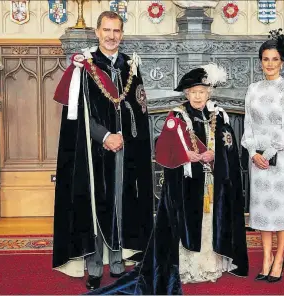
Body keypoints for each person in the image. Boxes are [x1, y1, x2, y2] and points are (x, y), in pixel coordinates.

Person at [87, 64, 248, 295]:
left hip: (211, 181)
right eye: (193, 92)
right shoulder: (176, 116)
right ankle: (188, 267)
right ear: (186, 94)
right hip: (185, 184)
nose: (197, 96)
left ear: (208, 93)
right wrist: (186, 156)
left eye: (201, 92)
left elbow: (229, 146)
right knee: (186, 223)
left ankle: (209, 265)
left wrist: (215, 155)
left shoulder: (218, 115)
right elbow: (163, 149)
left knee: (209, 221)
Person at [51, 11, 153, 290]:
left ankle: (118, 260)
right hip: (92, 149)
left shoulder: (130, 65)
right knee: (96, 205)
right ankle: (95, 266)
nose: (111, 36)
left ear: (122, 33)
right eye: (106, 30)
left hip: (126, 148)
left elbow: (139, 108)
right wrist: (106, 136)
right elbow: (79, 113)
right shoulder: (84, 67)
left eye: (116, 31)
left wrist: (127, 139)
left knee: (122, 202)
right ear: (97, 32)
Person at [241, 28, 284, 283]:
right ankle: (265, 258)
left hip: (280, 159)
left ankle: (279, 258)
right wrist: (253, 153)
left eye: (275, 59)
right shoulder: (253, 89)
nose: (270, 64)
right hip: (258, 162)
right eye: (266, 59)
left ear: (282, 62)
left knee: (281, 213)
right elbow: (248, 124)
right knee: (262, 213)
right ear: (260, 61)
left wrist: (270, 152)